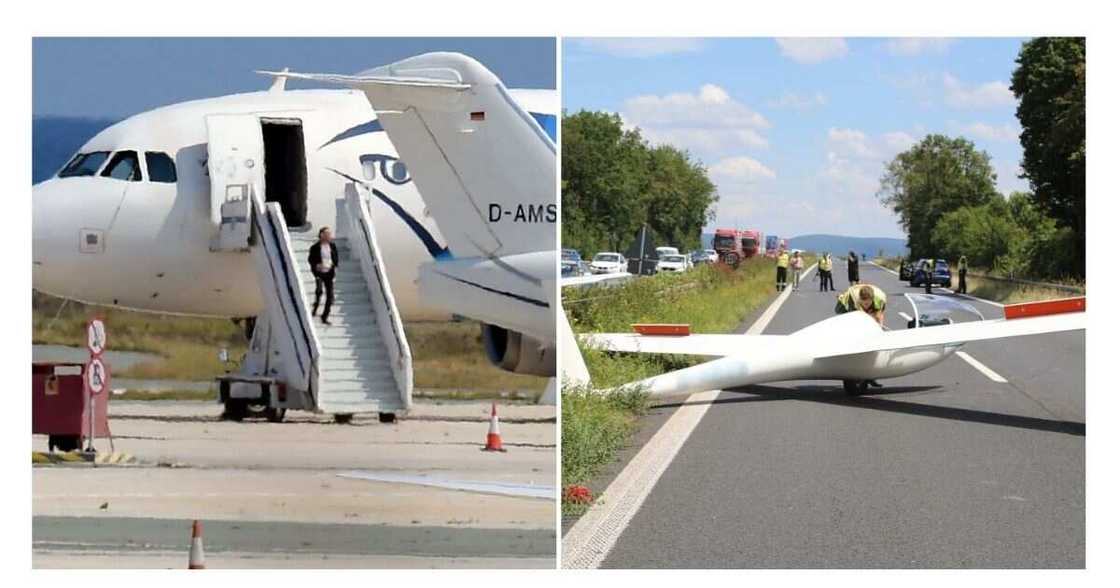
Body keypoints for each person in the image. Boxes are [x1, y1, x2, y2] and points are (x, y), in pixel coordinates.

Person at [836, 283, 888, 388]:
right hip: (844, 308)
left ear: (872, 300)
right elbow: (850, 322)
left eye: (868, 303)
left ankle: (871, 376)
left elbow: (879, 316)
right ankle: (849, 377)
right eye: (864, 304)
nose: (866, 305)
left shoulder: (879, 300)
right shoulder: (852, 302)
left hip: (873, 305)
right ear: (860, 300)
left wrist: (879, 328)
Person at [308, 226, 339, 325]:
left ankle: (324, 316)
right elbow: (311, 260)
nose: (329, 236)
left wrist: (334, 266)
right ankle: (315, 307)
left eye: (329, 234)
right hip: (320, 273)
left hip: (329, 273)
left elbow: (335, 258)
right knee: (319, 291)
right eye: (327, 234)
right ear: (321, 235)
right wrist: (317, 266)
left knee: (330, 296)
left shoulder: (332, 246)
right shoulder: (315, 247)